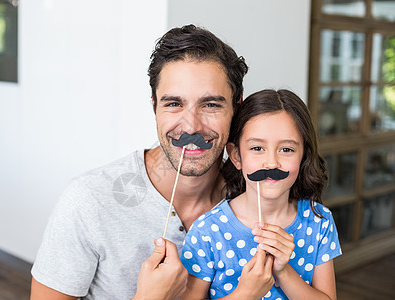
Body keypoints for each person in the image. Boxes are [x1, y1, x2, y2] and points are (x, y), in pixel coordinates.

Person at [30, 24, 249, 299]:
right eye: (173, 104)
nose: (191, 127)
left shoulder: (253, 194)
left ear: (237, 107)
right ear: (154, 106)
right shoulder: (88, 200)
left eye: (211, 105)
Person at [180, 89, 342, 299]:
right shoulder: (207, 231)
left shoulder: (319, 221)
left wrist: (283, 272)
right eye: (257, 148)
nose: (272, 163)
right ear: (236, 156)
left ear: (304, 157)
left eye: (286, 150)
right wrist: (246, 293)